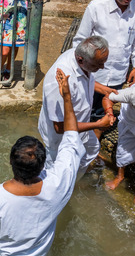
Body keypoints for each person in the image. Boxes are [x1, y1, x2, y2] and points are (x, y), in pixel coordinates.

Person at [0, 68, 84, 256]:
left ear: (10, 162)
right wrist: (67, 97)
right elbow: (71, 137)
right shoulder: (57, 184)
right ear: (43, 164)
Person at [72, 0, 135, 120]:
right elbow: (79, 40)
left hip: (118, 73)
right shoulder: (96, 7)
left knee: (103, 112)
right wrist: (81, 69)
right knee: (82, 110)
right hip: (93, 73)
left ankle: (95, 139)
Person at [37, 36, 115, 179]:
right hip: (60, 138)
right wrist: (97, 125)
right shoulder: (57, 83)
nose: (102, 67)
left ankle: (75, 181)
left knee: (92, 149)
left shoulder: (81, 57)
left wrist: (102, 89)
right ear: (80, 60)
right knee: (57, 174)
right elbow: (59, 127)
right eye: (98, 65)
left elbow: (84, 79)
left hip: (81, 125)